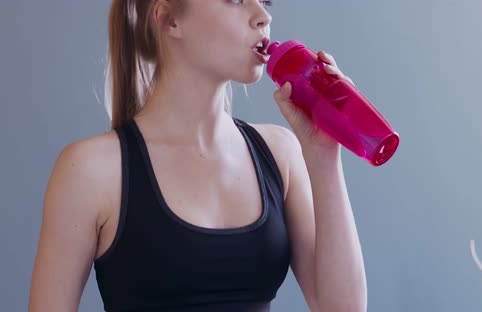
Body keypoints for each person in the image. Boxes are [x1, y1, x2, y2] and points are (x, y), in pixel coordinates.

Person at [29, 0, 367, 311]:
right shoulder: (91, 171)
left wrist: (323, 154)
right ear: (170, 19)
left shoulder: (280, 154)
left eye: (265, 0)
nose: (264, 15)